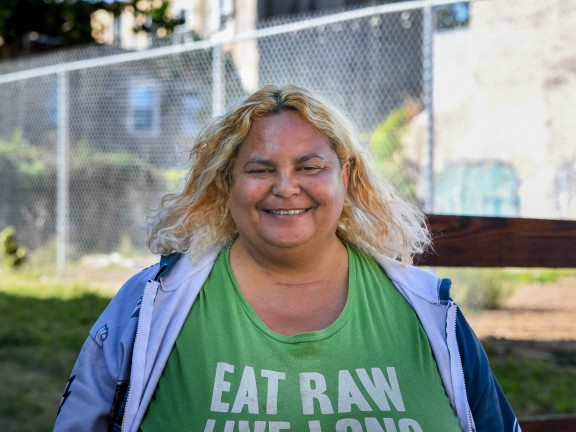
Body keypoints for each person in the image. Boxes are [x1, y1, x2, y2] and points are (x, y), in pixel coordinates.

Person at [54, 84, 521, 432]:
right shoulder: (151, 306)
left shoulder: (429, 310)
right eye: (260, 169)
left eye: (310, 166)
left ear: (347, 175)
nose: (285, 186)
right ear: (226, 183)